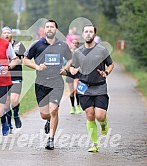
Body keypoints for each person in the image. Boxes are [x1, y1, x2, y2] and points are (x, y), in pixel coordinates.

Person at [23, 20, 72, 150]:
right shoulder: (37, 45)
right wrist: (37, 66)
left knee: (54, 110)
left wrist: (65, 68)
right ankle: (49, 120)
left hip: (56, 82)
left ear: (56, 30)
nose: (49, 29)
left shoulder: (62, 45)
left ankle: (51, 139)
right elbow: (25, 60)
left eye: (52, 27)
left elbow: (71, 58)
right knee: (44, 114)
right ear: (44, 30)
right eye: (47, 27)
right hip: (41, 83)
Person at [70, 24, 114, 152]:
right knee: (90, 115)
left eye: (91, 32)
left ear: (94, 34)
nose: (88, 34)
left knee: (100, 116)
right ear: (83, 34)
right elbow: (73, 67)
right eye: (86, 32)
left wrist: (106, 72)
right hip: (84, 87)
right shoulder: (78, 52)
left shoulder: (102, 50)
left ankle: (104, 123)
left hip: (99, 86)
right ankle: (95, 144)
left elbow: (110, 65)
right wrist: (73, 70)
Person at [1, 26, 26, 133]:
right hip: (3, 77)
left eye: (8, 33)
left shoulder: (18, 45)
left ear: (12, 34)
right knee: (6, 103)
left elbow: (25, 59)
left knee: (14, 100)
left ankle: (16, 115)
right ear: (1, 35)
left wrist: (19, 61)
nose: (6, 35)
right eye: (4, 33)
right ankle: (9, 123)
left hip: (16, 76)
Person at [66, 39, 81, 114]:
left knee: (76, 90)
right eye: (73, 43)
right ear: (71, 44)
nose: (74, 44)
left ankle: (78, 105)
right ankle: (72, 107)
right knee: (71, 92)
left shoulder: (80, 53)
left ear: (78, 45)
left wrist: (77, 69)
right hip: (69, 74)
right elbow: (65, 64)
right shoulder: (68, 53)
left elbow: (82, 63)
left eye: (76, 43)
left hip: (77, 74)